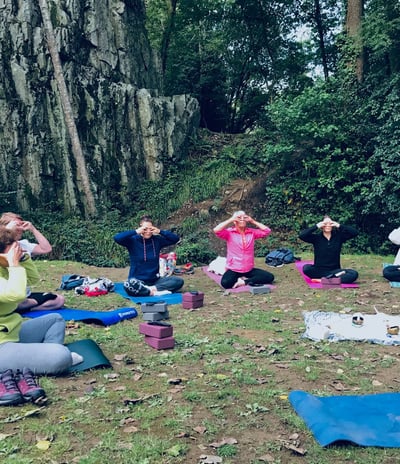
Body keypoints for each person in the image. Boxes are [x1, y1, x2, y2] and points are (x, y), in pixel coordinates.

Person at [0, 227, 83, 406]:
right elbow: (17, 295)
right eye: (14, 250)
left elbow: (32, 279)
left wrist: (23, 259)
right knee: (62, 356)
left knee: (55, 320)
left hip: (9, 332)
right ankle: (42, 361)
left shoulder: (3, 266)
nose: (17, 252)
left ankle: (36, 359)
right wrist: (14, 265)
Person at [0, 212, 64, 311]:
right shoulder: (2, 249)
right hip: (7, 295)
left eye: (21, 225)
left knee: (59, 300)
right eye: (16, 225)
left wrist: (33, 229)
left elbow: (47, 249)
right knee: (16, 300)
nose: (20, 229)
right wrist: (7, 231)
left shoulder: (23, 246)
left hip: (24, 295)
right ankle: (22, 306)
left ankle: (24, 307)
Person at [113, 215, 184, 294]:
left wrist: (160, 231)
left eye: (150, 229)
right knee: (129, 286)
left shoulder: (157, 240)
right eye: (145, 229)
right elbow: (117, 238)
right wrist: (135, 231)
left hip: (154, 280)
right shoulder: (133, 240)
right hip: (137, 281)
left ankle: (149, 290)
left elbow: (175, 239)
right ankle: (152, 290)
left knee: (178, 281)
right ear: (140, 228)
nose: (148, 231)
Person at [213, 211, 274, 289]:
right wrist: (231, 219)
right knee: (225, 283)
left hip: (248, 269)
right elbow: (216, 230)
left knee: (269, 277)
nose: (242, 219)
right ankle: (241, 278)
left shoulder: (252, 232)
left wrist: (252, 221)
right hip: (234, 269)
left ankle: (244, 281)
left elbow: (267, 231)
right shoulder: (229, 233)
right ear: (235, 221)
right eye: (239, 218)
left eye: (244, 217)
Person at [298, 215, 359, 283]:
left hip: (334, 271)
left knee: (353, 274)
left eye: (330, 223)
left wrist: (338, 225)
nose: (328, 225)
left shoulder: (339, 237)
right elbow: (301, 235)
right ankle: (332, 280)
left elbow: (355, 233)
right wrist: (316, 226)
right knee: (306, 268)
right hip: (319, 270)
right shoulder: (316, 238)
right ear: (322, 226)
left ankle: (324, 280)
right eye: (325, 223)